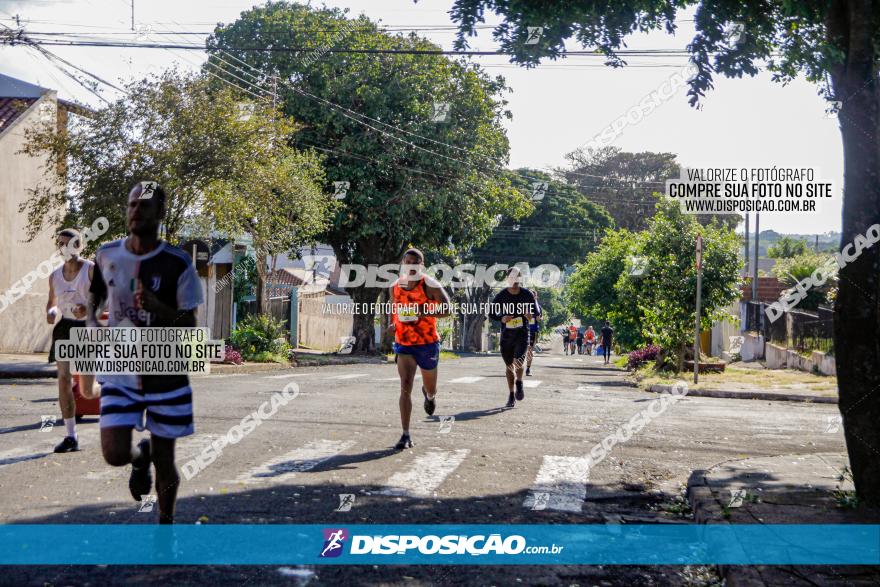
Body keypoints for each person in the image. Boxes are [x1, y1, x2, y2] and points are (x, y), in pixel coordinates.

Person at [87, 181, 204, 524]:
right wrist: (93, 319)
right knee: (114, 453)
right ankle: (140, 458)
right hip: (120, 368)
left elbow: (190, 323)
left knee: (166, 461)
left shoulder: (178, 263)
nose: (136, 210)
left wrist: (159, 308)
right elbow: (96, 293)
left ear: (160, 214)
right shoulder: (107, 254)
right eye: (132, 204)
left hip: (165, 372)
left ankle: (165, 528)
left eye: (145, 205)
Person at [389, 248, 451, 450]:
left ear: (421, 265)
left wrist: (425, 310)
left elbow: (448, 309)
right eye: (407, 262)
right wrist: (393, 324)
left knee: (431, 388)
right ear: (403, 264)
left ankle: (430, 396)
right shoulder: (395, 286)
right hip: (404, 342)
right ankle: (405, 434)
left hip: (427, 343)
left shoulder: (430, 286)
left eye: (415, 263)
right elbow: (395, 309)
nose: (411, 266)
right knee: (405, 386)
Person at [47, 229, 97, 453]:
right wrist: (51, 311)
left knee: (86, 392)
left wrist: (88, 308)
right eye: (61, 244)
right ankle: (71, 436)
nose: (64, 248)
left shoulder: (91, 270)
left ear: (79, 246)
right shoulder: (54, 275)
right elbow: (52, 303)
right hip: (65, 328)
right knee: (64, 379)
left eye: (69, 244)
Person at [489, 268, 540, 407]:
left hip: (522, 334)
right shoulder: (502, 295)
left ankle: (519, 382)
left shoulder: (527, 294)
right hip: (507, 336)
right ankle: (511, 394)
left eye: (517, 278)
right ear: (508, 279)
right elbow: (491, 313)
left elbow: (536, 311)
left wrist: (530, 314)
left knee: (518, 361)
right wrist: (502, 318)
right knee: (509, 366)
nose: (515, 281)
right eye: (512, 278)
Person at [525, 290, 541, 376]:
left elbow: (538, 318)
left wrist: (538, 318)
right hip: (523, 330)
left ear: (536, 297)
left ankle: (528, 368)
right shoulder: (523, 306)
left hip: (533, 330)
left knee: (530, 349)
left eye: (533, 296)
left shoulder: (538, 307)